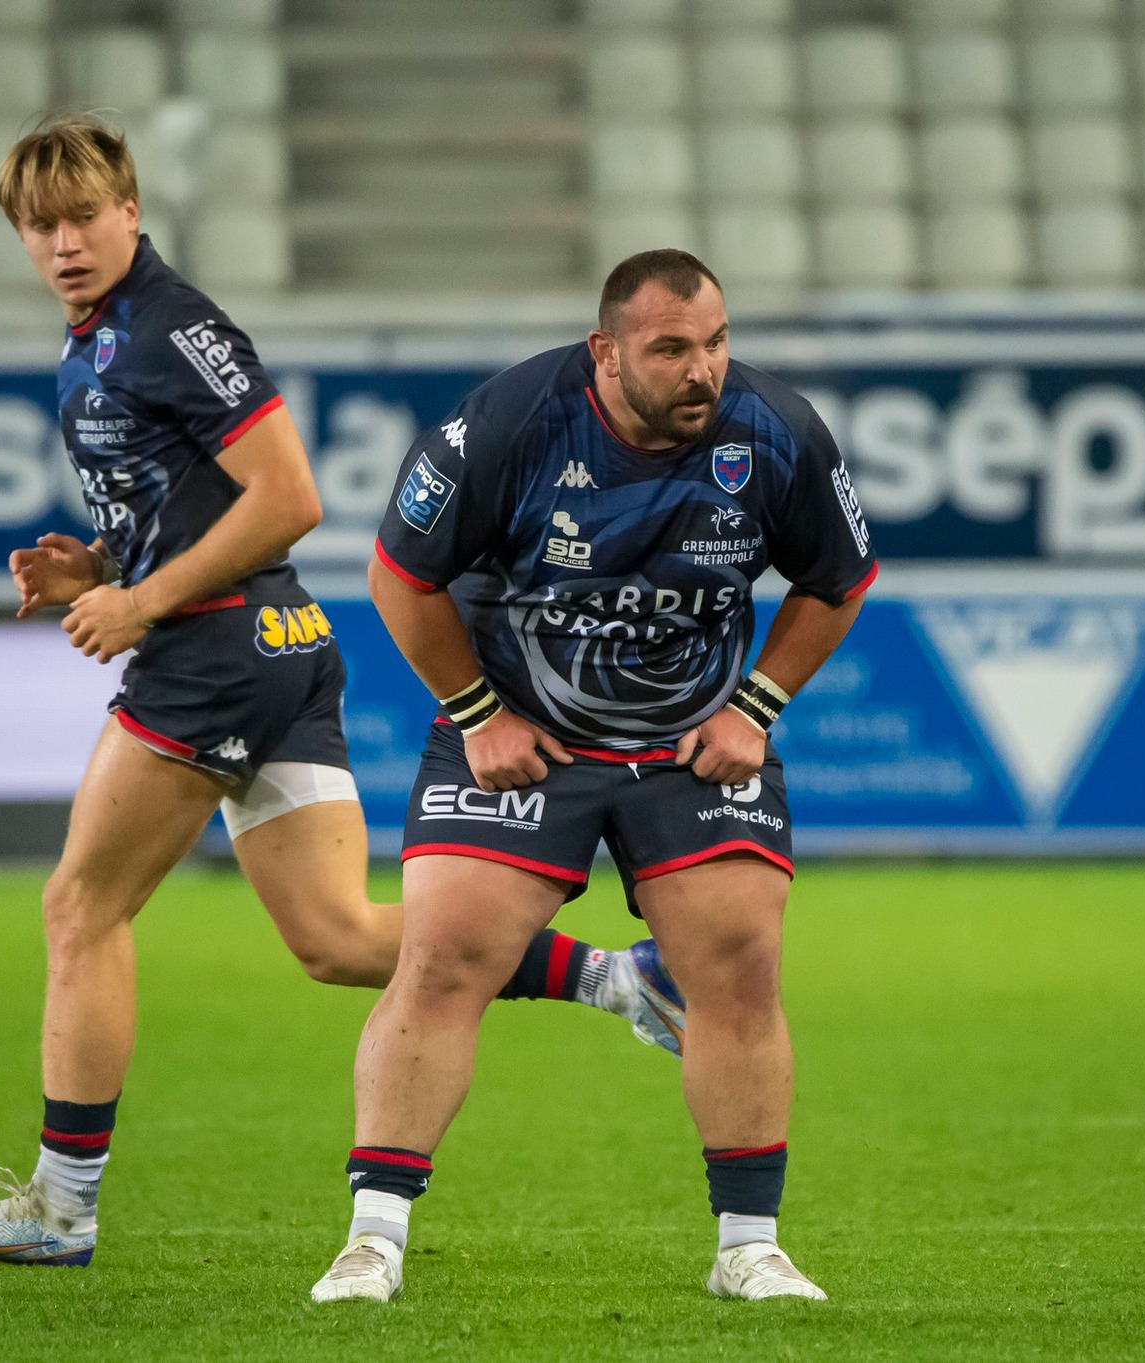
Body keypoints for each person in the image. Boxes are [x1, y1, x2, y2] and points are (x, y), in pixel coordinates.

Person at [0, 116, 682, 1270]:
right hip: (269, 642)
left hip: (218, 653)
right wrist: (103, 567)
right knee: (332, 937)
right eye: (40, 225)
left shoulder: (173, 327)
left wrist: (137, 605)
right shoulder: (103, 339)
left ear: (131, 209)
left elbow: (287, 498)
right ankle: (621, 977)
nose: (65, 241)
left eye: (84, 215)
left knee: (80, 909)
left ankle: (63, 1206)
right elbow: (197, 506)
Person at [307, 249, 876, 1306]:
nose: (701, 369)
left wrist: (756, 705)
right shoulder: (511, 422)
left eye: (712, 343)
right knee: (439, 958)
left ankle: (747, 1247)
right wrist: (479, 713)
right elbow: (398, 574)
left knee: (741, 967)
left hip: (690, 743)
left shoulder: (776, 430)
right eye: (670, 349)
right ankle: (371, 1240)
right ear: (605, 353)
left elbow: (837, 581)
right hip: (527, 732)